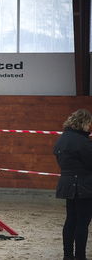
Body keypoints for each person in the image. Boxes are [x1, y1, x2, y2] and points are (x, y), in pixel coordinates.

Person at [54, 109, 92, 260]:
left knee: (70, 220)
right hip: (83, 185)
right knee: (82, 223)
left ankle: (67, 255)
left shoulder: (62, 138)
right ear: (83, 123)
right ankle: (80, 257)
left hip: (67, 182)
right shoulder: (83, 142)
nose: (90, 127)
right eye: (89, 123)